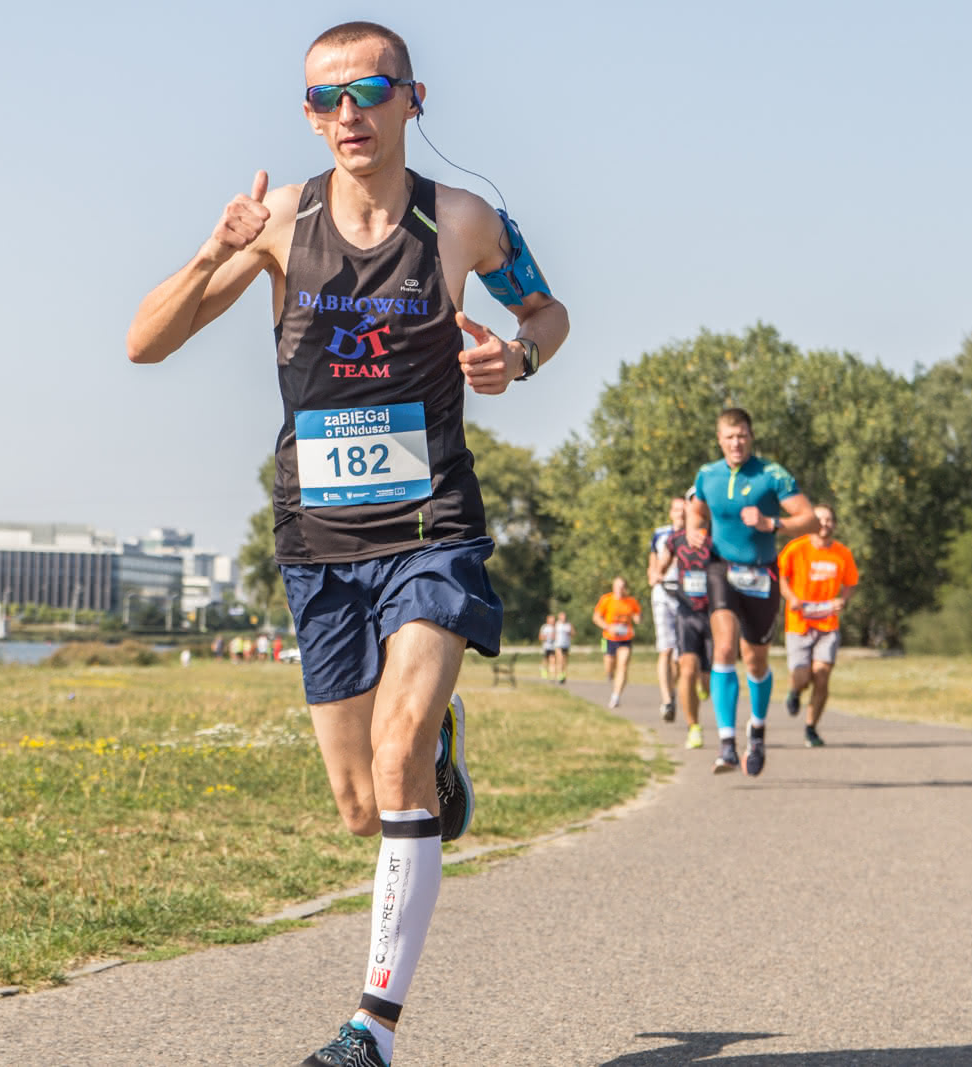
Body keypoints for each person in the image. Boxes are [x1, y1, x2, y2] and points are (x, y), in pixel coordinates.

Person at [125, 20, 569, 1067]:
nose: (346, 114)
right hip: (317, 538)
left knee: (396, 745)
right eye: (322, 99)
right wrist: (215, 250)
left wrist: (518, 356)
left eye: (367, 90)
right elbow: (144, 342)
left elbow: (548, 311)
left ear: (412, 99)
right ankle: (440, 754)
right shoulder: (279, 221)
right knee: (360, 805)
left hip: (430, 528)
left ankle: (370, 1027)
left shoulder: (461, 221)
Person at [686, 408, 816, 776]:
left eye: (742, 435)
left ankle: (756, 730)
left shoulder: (772, 475)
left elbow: (809, 519)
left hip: (761, 572)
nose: (736, 443)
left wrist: (771, 522)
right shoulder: (707, 475)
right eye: (729, 437)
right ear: (720, 440)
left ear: (751, 436)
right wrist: (696, 531)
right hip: (721, 567)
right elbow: (697, 511)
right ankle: (726, 744)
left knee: (755, 659)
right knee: (724, 647)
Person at [778, 503, 859, 747]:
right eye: (820, 520)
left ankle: (811, 728)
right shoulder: (796, 548)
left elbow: (851, 582)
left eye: (829, 520)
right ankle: (794, 692)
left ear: (834, 524)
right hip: (799, 622)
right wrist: (791, 598)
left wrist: (842, 601)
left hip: (827, 624)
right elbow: (781, 576)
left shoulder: (842, 553)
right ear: (811, 522)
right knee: (803, 677)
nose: (825, 524)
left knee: (822, 675)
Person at [669, 506, 714, 749]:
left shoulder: (716, 540)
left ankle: (703, 685)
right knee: (686, 669)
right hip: (686, 612)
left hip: (713, 614)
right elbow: (660, 560)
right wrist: (655, 570)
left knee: (707, 679)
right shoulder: (675, 539)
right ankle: (693, 727)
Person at [647, 498, 686, 721]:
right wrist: (654, 575)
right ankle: (667, 700)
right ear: (671, 513)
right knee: (665, 649)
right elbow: (652, 564)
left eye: (684, 510)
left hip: (685, 595)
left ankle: (673, 689)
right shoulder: (660, 534)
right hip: (663, 593)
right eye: (676, 510)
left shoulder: (695, 535)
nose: (680, 514)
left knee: (681, 657)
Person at [592, 576, 642, 710]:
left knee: (623, 665)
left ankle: (616, 696)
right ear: (613, 587)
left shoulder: (631, 601)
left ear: (625, 588)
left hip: (626, 639)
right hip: (609, 638)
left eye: (622, 586)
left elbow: (637, 616)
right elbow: (596, 617)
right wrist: (608, 627)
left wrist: (637, 619)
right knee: (609, 667)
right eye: (617, 586)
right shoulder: (606, 600)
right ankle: (610, 675)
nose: (620, 589)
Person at [553, 610, 573, 683]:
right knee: (560, 660)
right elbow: (553, 634)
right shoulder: (557, 624)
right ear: (559, 617)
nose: (563, 618)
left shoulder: (568, 624)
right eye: (562, 616)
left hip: (566, 644)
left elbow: (573, 633)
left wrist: (570, 632)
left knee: (565, 661)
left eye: (564, 616)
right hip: (558, 645)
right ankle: (559, 675)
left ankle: (564, 675)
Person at [538, 613, 557, 679]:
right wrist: (547, 637)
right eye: (551, 620)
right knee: (545, 660)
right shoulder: (544, 627)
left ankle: (552, 674)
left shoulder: (556, 627)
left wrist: (554, 637)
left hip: (553, 647)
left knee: (553, 660)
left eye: (553, 620)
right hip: (546, 646)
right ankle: (543, 671)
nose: (553, 621)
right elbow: (540, 637)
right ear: (548, 620)